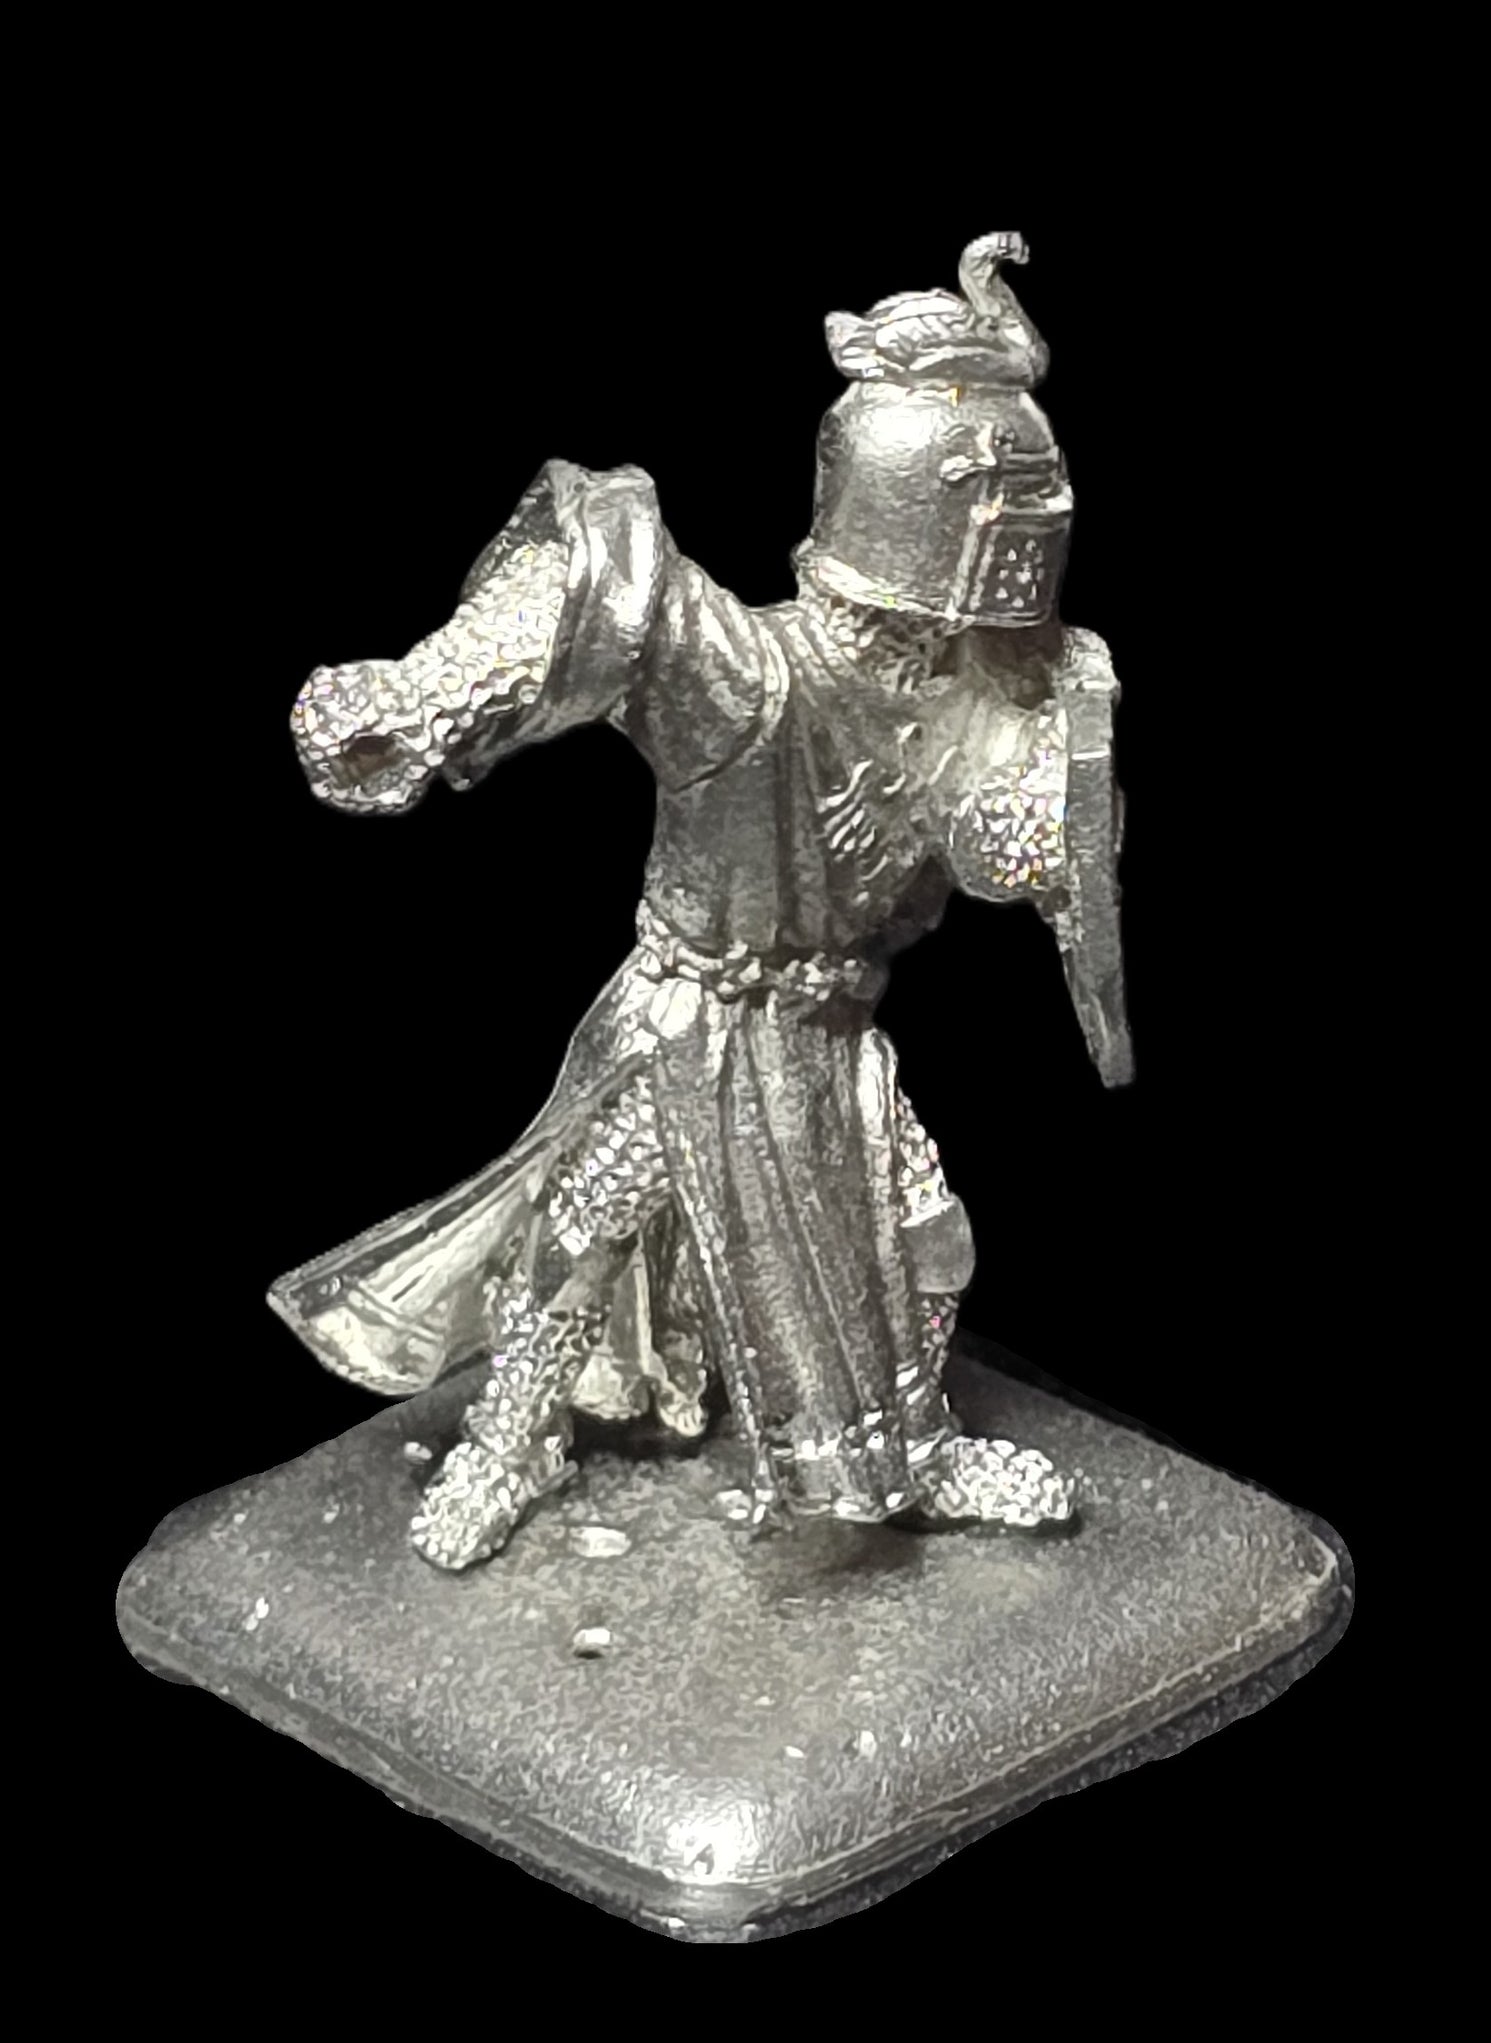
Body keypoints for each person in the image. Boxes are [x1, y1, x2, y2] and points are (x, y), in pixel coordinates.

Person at [269, 234, 1131, 1570]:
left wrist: (1048, 825)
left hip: (826, 1042)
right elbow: (614, 600)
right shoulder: (753, 679)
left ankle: (915, 1446)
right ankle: (510, 1439)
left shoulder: (965, 691)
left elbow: (996, 845)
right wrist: (426, 695)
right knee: (585, 1232)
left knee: (922, 1234)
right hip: (694, 1025)